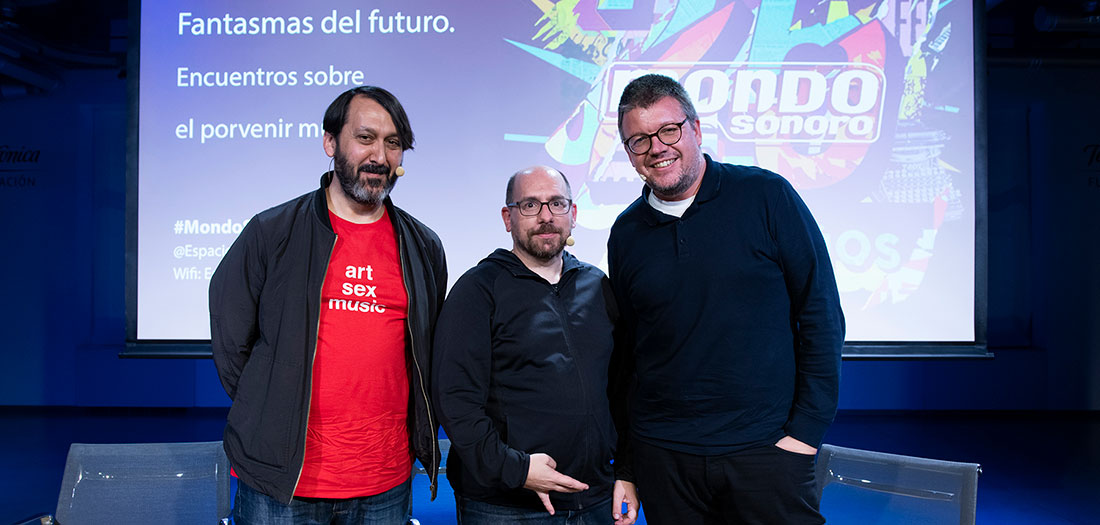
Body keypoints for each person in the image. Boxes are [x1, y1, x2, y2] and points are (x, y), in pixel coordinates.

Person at [607, 74, 845, 524]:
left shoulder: (767, 195)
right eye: (639, 140)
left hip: (765, 451)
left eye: (668, 131)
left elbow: (820, 313)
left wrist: (805, 434)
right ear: (629, 151)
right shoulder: (626, 233)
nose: (657, 148)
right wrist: (630, 465)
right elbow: (631, 356)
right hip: (665, 456)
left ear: (696, 129)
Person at [209, 85, 447, 524]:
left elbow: (426, 354)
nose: (379, 155)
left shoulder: (422, 245)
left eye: (393, 143)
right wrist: (269, 407)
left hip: (385, 483)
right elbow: (231, 341)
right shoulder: (272, 232)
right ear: (330, 142)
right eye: (365, 138)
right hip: (282, 484)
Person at [433, 166, 639, 525]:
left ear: (573, 214)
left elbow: (624, 389)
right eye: (530, 205)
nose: (546, 216)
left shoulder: (597, 285)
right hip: (506, 508)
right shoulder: (478, 290)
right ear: (507, 217)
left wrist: (627, 471)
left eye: (557, 203)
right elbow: (454, 400)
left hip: (595, 500)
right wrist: (517, 470)